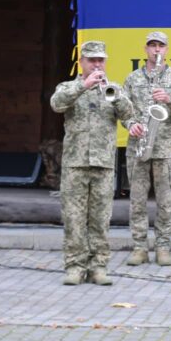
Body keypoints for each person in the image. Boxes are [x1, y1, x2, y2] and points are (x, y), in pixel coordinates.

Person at [51, 41, 140, 286]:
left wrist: (114, 95)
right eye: (92, 60)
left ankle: (99, 266)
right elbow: (56, 104)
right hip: (75, 164)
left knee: (100, 219)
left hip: (102, 164)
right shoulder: (68, 87)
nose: (97, 64)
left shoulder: (113, 89)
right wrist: (83, 86)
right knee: (74, 218)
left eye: (101, 60)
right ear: (82, 63)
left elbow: (128, 115)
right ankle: (74, 267)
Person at [122, 31, 171, 267]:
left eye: (160, 46)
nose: (156, 50)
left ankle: (163, 247)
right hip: (138, 148)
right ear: (145, 49)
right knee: (137, 200)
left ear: (167, 49)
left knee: (165, 201)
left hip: (165, 149)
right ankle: (139, 247)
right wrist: (131, 125)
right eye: (152, 46)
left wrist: (169, 99)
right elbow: (123, 111)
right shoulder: (132, 79)